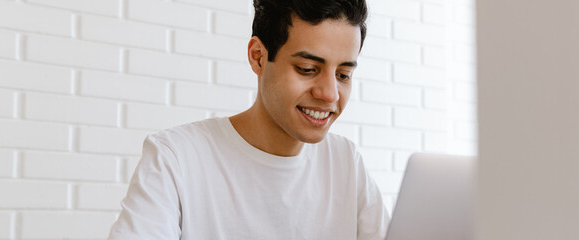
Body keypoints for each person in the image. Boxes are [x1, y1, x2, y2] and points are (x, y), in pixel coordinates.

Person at [107, 0, 390, 239]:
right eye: (307, 69)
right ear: (258, 57)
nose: (329, 94)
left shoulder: (345, 161)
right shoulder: (176, 157)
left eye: (343, 75)